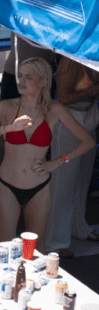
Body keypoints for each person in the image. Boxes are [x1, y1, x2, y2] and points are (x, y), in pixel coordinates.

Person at [0, 57, 94, 252]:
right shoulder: (7, 106)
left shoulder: (55, 109)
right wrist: (9, 128)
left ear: (43, 81)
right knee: (4, 247)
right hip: (7, 184)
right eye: (19, 76)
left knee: (36, 250)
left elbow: (88, 142)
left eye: (28, 77)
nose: (21, 81)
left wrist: (58, 161)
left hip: (40, 188)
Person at [46, 57, 99, 255]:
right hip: (69, 120)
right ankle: (54, 242)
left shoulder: (92, 56)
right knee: (63, 183)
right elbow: (64, 97)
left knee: (82, 179)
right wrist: (94, 90)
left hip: (88, 115)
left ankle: (79, 227)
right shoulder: (69, 61)